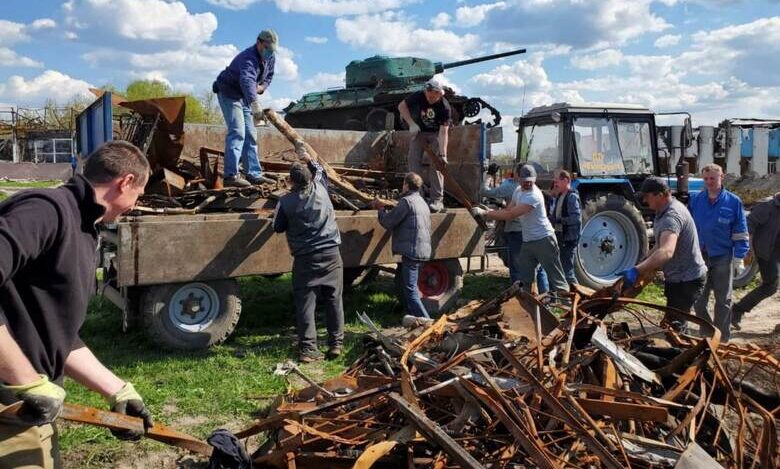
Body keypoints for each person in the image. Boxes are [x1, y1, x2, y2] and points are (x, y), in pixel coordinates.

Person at [0, 141, 154, 467]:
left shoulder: (84, 227)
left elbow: (57, 335)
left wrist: (118, 390)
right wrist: (24, 378)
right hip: (8, 406)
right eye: (138, 195)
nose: (133, 205)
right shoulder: (47, 210)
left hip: (29, 406)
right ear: (125, 182)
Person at [273, 154, 344, 363]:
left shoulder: (285, 201)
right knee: (334, 299)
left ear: (291, 181)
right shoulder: (321, 187)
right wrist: (309, 158)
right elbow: (321, 171)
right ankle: (336, 344)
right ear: (310, 178)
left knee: (305, 303)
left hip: (306, 258)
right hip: (332, 254)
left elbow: (277, 227)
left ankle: (308, 350)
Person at [622, 177, 707, 327]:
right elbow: (660, 246)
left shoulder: (671, 217)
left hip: (687, 280)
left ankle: (686, 348)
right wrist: (642, 263)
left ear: (660, 195)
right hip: (678, 278)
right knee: (673, 324)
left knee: (675, 326)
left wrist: (637, 270)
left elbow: (667, 251)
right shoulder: (662, 212)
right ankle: (682, 347)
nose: (645, 201)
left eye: (647, 197)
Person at [472, 164, 568, 295]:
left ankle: (567, 307)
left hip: (544, 240)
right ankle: (530, 308)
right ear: (519, 180)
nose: (528, 184)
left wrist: (485, 213)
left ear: (534, 180)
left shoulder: (533, 196)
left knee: (557, 279)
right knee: (525, 280)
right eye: (525, 181)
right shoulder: (518, 191)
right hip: (528, 242)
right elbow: (508, 210)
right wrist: (489, 211)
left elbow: (510, 215)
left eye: (530, 181)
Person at [689, 164, 749, 341]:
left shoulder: (733, 202)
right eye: (706, 179)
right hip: (700, 256)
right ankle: (708, 332)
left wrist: (739, 257)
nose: (709, 182)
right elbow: (689, 228)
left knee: (723, 300)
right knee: (698, 299)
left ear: (721, 177)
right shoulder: (696, 200)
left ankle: (721, 338)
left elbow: (740, 229)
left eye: (712, 178)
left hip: (723, 255)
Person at [213, 29, 278, 187]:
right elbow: (247, 81)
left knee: (251, 133)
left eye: (272, 49)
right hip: (229, 93)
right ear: (259, 43)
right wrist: (255, 105)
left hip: (244, 97)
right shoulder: (248, 58)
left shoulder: (271, 57)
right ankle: (231, 176)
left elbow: (269, 76)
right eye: (267, 48)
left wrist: (262, 86)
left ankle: (253, 173)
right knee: (238, 131)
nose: (270, 52)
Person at [372, 173, 432, 323]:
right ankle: (413, 320)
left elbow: (388, 222)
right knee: (405, 285)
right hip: (422, 250)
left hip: (412, 252)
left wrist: (380, 208)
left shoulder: (406, 202)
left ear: (406, 185)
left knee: (411, 290)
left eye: (403, 183)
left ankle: (429, 323)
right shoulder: (421, 201)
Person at [398, 79, 451, 212]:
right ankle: (416, 197)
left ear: (440, 94)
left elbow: (444, 132)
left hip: (435, 135)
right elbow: (401, 106)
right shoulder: (419, 95)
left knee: (437, 166)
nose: (430, 99)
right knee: (413, 163)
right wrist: (411, 123)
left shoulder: (445, 107)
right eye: (428, 96)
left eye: (433, 96)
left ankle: (437, 201)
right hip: (419, 133)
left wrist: (443, 154)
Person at [732, 192, 780, 330]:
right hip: (767, 252)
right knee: (770, 286)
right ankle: (737, 310)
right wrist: (749, 250)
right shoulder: (767, 206)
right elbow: (748, 226)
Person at [549, 170, 581, 285]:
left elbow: (576, 219)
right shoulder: (560, 196)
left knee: (568, 271)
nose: (555, 183)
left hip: (568, 239)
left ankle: (580, 296)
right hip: (561, 237)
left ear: (566, 180)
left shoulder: (571, 197)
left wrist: (558, 220)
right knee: (563, 269)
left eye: (557, 181)